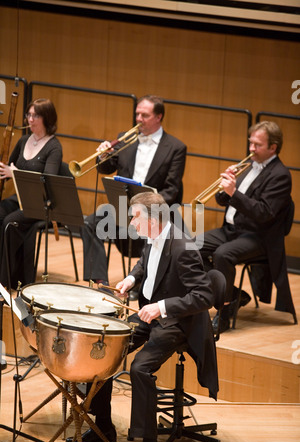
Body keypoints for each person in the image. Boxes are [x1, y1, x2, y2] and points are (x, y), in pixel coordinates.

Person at [66, 192, 218, 442]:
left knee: (139, 368)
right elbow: (146, 263)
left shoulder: (183, 248)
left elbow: (204, 297)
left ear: (154, 219)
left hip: (176, 322)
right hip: (150, 315)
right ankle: (104, 428)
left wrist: (161, 307)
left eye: (136, 217)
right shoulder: (153, 237)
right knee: (104, 351)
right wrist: (132, 278)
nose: (132, 223)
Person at [197, 121, 296, 334]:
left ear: (273, 147)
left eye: (257, 145)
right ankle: (232, 295)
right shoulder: (248, 167)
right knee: (189, 247)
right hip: (232, 230)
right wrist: (226, 187)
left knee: (223, 255)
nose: (251, 149)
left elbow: (264, 213)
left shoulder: (280, 175)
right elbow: (223, 200)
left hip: (258, 237)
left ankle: (222, 317)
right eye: (251, 143)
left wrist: (234, 192)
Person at [80, 94, 186, 286]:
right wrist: (103, 156)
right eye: (137, 114)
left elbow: (172, 189)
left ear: (158, 117)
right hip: (123, 206)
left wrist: (147, 208)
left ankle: (141, 281)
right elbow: (105, 168)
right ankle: (100, 281)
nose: (138, 119)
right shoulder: (124, 138)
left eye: (144, 115)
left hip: (152, 211)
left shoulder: (175, 147)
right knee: (90, 223)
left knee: (156, 229)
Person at [0, 98, 62, 289]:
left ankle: (4, 282)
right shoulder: (23, 140)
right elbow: (7, 169)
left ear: (47, 118)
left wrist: (15, 173)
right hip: (20, 198)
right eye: (29, 114)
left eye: (36, 115)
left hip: (41, 204)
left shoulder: (54, 147)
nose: (30, 119)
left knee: (9, 222)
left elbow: (47, 180)